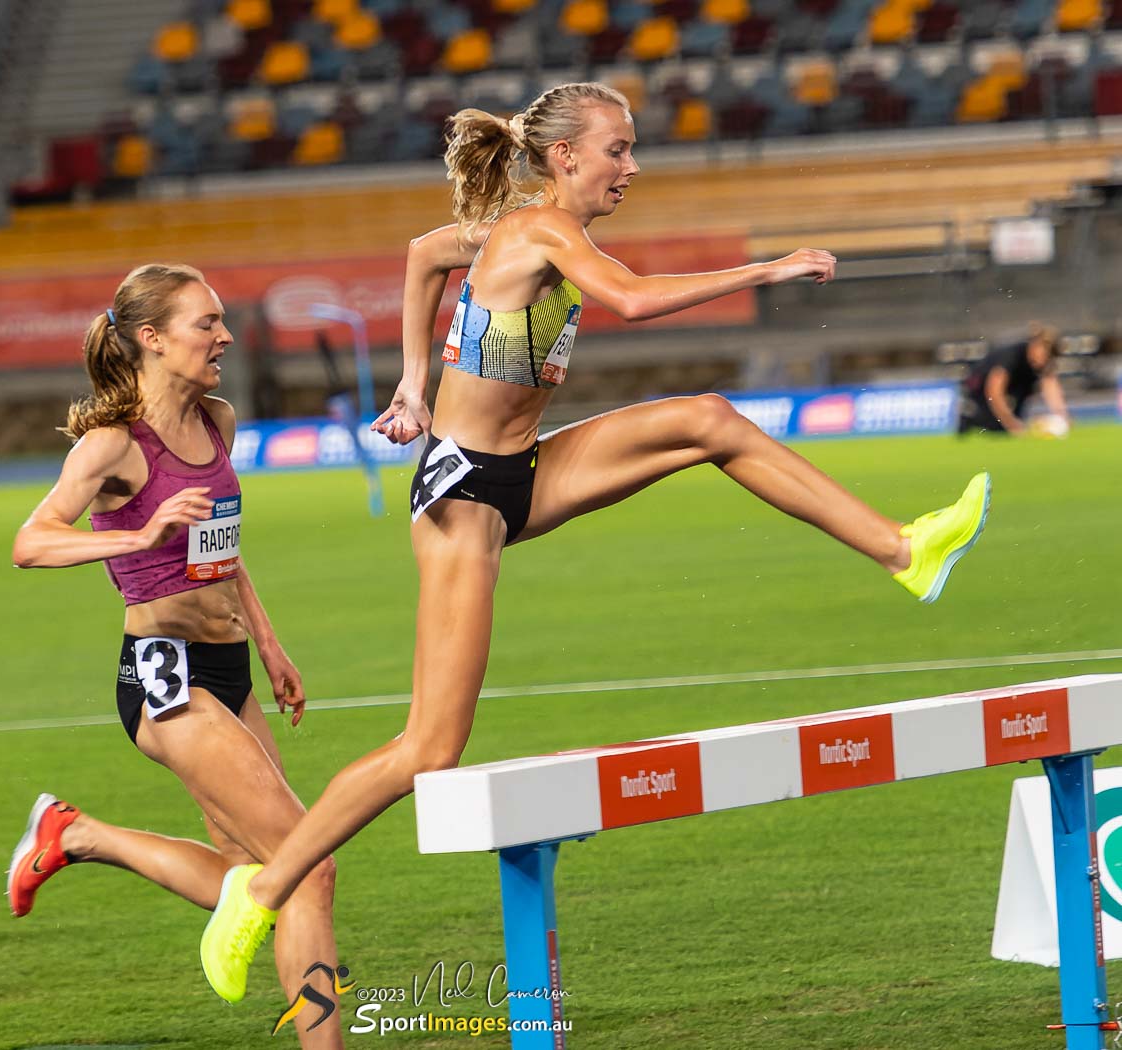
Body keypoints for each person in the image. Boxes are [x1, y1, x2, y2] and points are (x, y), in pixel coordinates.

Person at [197, 82, 992, 999]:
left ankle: (905, 551)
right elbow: (630, 298)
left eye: (632, 148)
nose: (633, 165)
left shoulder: (512, 231)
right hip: (463, 498)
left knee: (710, 421)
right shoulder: (542, 233)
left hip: (523, 468)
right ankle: (260, 890)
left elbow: (422, 256)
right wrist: (762, 272)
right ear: (566, 156)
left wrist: (415, 383)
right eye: (617, 149)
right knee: (429, 748)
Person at [7, 263, 342, 1044]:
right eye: (206, 323)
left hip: (228, 672)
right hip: (165, 675)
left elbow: (222, 549)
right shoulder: (113, 447)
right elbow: (30, 542)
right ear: (152, 340)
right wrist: (140, 533)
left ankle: (76, 834)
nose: (224, 335)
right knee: (307, 868)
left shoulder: (216, 419)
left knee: (253, 873)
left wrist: (267, 641)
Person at [958, 322, 1071, 436]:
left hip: (1013, 387)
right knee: (997, 427)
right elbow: (994, 391)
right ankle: (969, 419)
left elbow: (1051, 386)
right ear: (1035, 345)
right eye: (1045, 354)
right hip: (979, 387)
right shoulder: (1011, 356)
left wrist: (1062, 416)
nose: (1046, 359)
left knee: (1013, 424)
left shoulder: (1040, 363)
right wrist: (1010, 423)